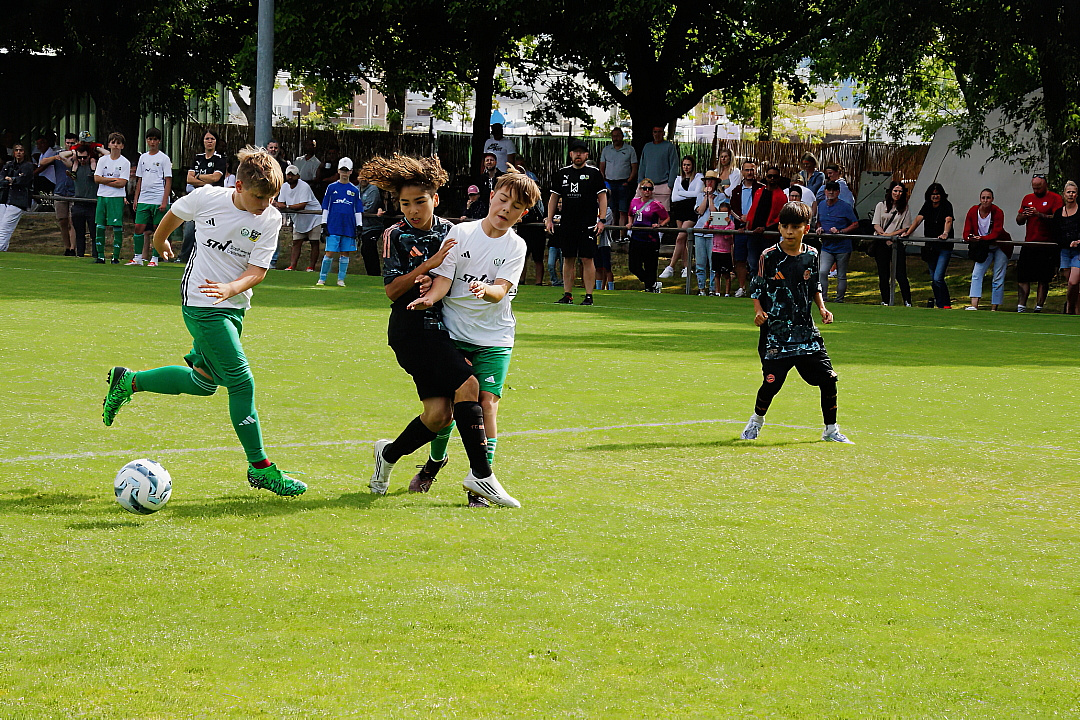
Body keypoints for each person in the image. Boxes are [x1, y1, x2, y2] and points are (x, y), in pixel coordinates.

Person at [101, 146, 306, 497]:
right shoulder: (207, 197)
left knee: (203, 383)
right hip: (200, 303)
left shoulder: (270, 219)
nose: (265, 205)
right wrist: (160, 240)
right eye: (259, 197)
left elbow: (257, 271)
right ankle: (260, 469)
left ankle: (129, 381)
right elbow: (174, 214)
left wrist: (231, 288)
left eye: (271, 198)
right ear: (238, 186)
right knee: (242, 382)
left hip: (233, 305)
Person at [360, 154, 501, 507]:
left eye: (420, 201)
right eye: (405, 203)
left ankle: (387, 455)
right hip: (411, 329)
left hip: (443, 328)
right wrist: (429, 265)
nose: (412, 210)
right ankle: (482, 477)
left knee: (438, 416)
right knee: (469, 385)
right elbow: (392, 291)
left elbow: (455, 278)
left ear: (435, 199)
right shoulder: (394, 234)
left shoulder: (451, 232)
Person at [405, 171, 542, 507]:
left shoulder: (516, 246)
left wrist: (486, 289)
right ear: (492, 197)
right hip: (454, 334)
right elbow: (444, 279)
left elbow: (501, 291)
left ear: (523, 213)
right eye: (503, 200)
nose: (506, 209)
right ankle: (434, 462)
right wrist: (429, 299)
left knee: (487, 404)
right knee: (450, 408)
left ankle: (480, 482)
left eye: (516, 207)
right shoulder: (461, 233)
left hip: (495, 337)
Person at [740, 201, 852, 444]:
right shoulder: (768, 256)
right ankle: (756, 422)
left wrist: (822, 307)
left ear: (806, 228)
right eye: (785, 226)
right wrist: (758, 312)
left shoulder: (812, 254)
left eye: (795, 227)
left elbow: (814, 285)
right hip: (776, 334)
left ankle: (831, 430)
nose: (789, 232)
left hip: (806, 332)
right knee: (772, 383)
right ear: (779, 228)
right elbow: (757, 288)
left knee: (829, 379)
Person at [547, 139, 607, 306]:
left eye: (581, 152)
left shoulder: (594, 173)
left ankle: (589, 296)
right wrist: (549, 219)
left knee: (587, 259)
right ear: (570, 154)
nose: (578, 155)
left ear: (586, 154)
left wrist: (602, 220)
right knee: (568, 258)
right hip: (568, 223)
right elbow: (554, 197)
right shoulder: (562, 173)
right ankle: (567, 295)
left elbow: (602, 197)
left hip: (588, 224)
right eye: (575, 152)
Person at [901, 182, 955, 309]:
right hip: (930, 247)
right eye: (933, 194)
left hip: (944, 247)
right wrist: (908, 232)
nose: (935, 196)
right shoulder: (927, 205)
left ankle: (945, 304)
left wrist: (945, 233)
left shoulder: (946, 205)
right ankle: (940, 303)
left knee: (938, 278)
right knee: (933, 278)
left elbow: (948, 220)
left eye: (937, 194)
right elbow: (918, 220)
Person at [1015, 174, 1064, 312]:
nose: (1036, 191)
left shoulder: (1055, 198)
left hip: (1046, 244)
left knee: (1043, 278)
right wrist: (1024, 215)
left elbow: (1058, 219)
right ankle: (1021, 306)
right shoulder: (1027, 198)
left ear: (1045, 185)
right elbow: (1019, 220)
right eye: (1034, 188)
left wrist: (1039, 215)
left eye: (1039, 188)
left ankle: (1039, 306)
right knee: (1023, 276)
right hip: (1029, 243)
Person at [128, 128, 173, 267]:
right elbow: (140, 179)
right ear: (146, 141)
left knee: (157, 229)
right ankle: (137, 257)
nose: (152, 142)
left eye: (155, 139)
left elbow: (168, 180)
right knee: (138, 227)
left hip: (158, 197)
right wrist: (136, 198)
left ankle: (155, 258)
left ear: (159, 141)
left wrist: (164, 201)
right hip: (144, 198)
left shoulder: (164, 158)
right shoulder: (143, 157)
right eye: (150, 139)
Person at [316, 157, 363, 287]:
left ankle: (341, 279)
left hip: (348, 226)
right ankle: (322, 278)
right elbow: (326, 207)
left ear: (351, 172)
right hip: (333, 224)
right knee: (329, 252)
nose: (344, 173)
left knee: (345, 253)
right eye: (342, 170)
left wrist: (359, 226)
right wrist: (324, 224)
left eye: (346, 170)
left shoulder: (354, 190)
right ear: (338, 170)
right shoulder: (331, 188)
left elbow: (357, 209)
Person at [181, 130, 226, 263]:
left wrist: (198, 176)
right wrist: (206, 181)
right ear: (203, 141)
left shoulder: (220, 159)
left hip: (213, 199)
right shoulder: (197, 158)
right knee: (189, 230)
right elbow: (189, 179)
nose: (209, 141)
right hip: (197, 198)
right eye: (207, 139)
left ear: (216, 141)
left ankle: (208, 259)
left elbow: (216, 178)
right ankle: (184, 257)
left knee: (210, 231)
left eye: (212, 138)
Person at [963, 188, 1010, 311]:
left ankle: (994, 307)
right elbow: (966, 231)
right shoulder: (973, 211)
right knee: (976, 274)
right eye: (983, 198)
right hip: (983, 247)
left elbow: (996, 232)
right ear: (980, 199)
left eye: (988, 198)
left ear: (992, 199)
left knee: (998, 276)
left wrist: (982, 238)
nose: (985, 200)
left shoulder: (997, 212)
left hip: (1000, 246)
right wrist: (970, 238)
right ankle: (974, 305)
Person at [815, 180, 859, 302]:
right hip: (827, 246)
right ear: (825, 191)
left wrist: (841, 231)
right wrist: (819, 228)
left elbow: (855, 224)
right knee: (822, 271)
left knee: (841, 275)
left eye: (834, 190)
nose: (831, 192)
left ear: (838, 192)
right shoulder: (821, 205)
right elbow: (818, 221)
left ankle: (839, 300)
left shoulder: (845, 206)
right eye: (829, 190)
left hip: (843, 246)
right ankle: (823, 298)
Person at [660, 155, 702, 280]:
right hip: (679, 211)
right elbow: (674, 198)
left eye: (688, 165)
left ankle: (670, 267)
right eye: (684, 165)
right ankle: (687, 267)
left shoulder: (698, 177)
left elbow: (697, 194)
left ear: (692, 166)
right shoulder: (678, 179)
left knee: (680, 238)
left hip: (691, 212)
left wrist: (681, 193)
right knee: (683, 241)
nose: (686, 167)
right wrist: (687, 195)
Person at [871, 181, 913, 306]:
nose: (897, 193)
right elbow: (876, 223)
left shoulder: (905, 208)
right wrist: (883, 235)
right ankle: (885, 300)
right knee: (883, 274)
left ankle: (907, 301)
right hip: (881, 243)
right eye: (895, 191)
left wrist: (891, 235)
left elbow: (905, 227)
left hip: (896, 242)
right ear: (890, 192)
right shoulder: (881, 205)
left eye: (900, 191)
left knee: (900, 274)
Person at [275, 165, 322, 272]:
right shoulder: (284, 187)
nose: (290, 177)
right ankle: (292, 266)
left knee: (314, 242)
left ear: (298, 176)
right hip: (299, 218)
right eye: (288, 175)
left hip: (314, 217)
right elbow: (280, 203)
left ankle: (311, 267)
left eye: (293, 175)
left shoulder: (304, 186)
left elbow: (302, 205)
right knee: (296, 242)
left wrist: (286, 206)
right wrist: (280, 205)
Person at [93, 132, 131, 264]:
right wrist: (113, 180)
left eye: (118, 143)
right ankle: (100, 256)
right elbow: (97, 179)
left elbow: (122, 183)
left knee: (116, 226)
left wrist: (105, 180)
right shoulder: (103, 160)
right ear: (109, 144)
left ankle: (115, 256)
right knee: (100, 225)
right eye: (113, 142)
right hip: (102, 196)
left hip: (116, 197)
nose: (115, 145)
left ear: (122, 146)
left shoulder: (125, 162)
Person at [627, 179, 670, 292]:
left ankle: (650, 287)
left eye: (649, 189)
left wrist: (660, 225)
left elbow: (666, 217)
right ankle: (652, 283)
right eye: (645, 188)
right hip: (636, 237)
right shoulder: (634, 201)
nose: (647, 191)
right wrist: (630, 223)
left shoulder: (656, 204)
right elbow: (630, 214)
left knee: (650, 266)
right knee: (633, 266)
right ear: (640, 189)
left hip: (650, 239)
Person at [729, 160, 762, 296]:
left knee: (755, 261)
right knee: (740, 260)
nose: (749, 173)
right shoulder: (736, 191)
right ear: (742, 172)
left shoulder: (761, 189)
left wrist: (751, 219)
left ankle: (755, 288)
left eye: (751, 170)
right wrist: (741, 219)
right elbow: (732, 209)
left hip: (755, 230)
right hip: (740, 229)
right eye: (747, 170)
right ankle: (742, 287)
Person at [599, 127, 638, 234]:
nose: (615, 138)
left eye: (617, 136)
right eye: (613, 136)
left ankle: (621, 236)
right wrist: (604, 180)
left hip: (623, 183)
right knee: (611, 210)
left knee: (623, 210)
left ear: (622, 136)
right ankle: (612, 235)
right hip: (609, 183)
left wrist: (629, 181)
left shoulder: (630, 150)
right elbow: (602, 166)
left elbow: (634, 167)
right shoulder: (606, 150)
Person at [0, 143, 35, 252]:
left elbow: (23, 180)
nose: (19, 152)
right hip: (4, 198)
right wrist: (10, 180)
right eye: (16, 150)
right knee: (2, 225)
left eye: (21, 150)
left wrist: (12, 180)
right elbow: (1, 179)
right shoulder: (9, 165)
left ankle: (1, 248)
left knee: (6, 227)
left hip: (18, 199)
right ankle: (3, 248)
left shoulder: (28, 166)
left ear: (24, 152)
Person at [692, 170, 721, 294]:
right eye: (707, 180)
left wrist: (711, 199)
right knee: (700, 263)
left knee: (713, 263)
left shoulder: (721, 197)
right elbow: (700, 211)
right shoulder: (700, 196)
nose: (709, 182)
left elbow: (715, 213)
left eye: (712, 180)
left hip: (713, 233)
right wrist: (706, 197)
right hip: (700, 232)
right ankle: (701, 288)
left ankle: (713, 289)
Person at [1053, 180, 1080, 314]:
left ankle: (1069, 306)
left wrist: (1078, 241)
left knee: (1073, 282)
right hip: (1064, 251)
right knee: (1072, 284)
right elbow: (1055, 233)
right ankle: (1075, 310)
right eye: (1068, 192)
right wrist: (1066, 243)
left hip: (1078, 251)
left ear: (1077, 195)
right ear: (1064, 194)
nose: (1071, 195)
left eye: (1073, 192)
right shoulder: (1059, 213)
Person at [638, 125, 679, 210]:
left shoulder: (669, 146)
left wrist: (670, 184)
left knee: (663, 212)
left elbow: (674, 166)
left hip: (663, 185)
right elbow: (642, 165)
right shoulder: (647, 147)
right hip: (647, 186)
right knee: (646, 211)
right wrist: (640, 182)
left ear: (663, 133)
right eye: (655, 132)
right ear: (652, 133)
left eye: (659, 132)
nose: (657, 134)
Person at [356, 174, 384, 275]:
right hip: (361, 226)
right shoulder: (355, 189)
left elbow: (369, 208)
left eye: (366, 177)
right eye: (361, 176)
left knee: (368, 248)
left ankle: (375, 274)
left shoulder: (373, 189)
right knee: (365, 250)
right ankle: (371, 274)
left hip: (373, 226)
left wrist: (356, 209)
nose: (363, 179)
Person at [710, 201, 735, 296]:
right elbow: (707, 228)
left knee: (726, 274)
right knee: (717, 273)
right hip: (716, 250)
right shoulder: (715, 222)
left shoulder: (731, 224)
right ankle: (717, 291)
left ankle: (727, 292)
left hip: (726, 251)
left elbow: (727, 236)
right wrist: (709, 221)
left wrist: (727, 224)